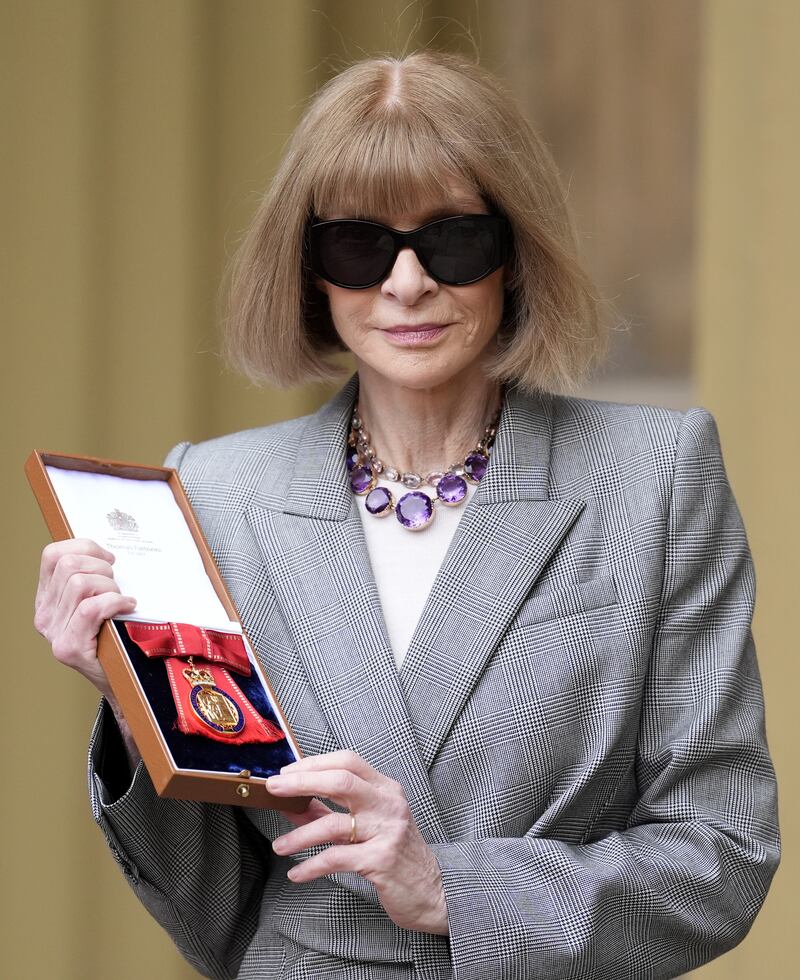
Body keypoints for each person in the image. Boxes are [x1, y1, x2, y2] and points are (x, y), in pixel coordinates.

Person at [34, 51, 779, 980]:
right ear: (310, 271)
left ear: (514, 252)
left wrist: (452, 890)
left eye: (454, 239)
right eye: (358, 244)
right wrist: (130, 695)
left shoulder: (654, 480)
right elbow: (217, 913)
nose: (407, 283)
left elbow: (721, 854)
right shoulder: (214, 495)